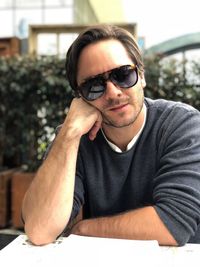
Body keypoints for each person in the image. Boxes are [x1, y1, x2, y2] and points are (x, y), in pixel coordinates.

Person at [22, 24, 200, 246]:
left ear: (141, 76)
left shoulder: (181, 125)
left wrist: (83, 228)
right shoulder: (73, 138)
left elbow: (173, 224)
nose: (113, 92)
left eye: (123, 75)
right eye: (94, 86)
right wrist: (69, 134)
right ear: (80, 97)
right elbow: (40, 230)